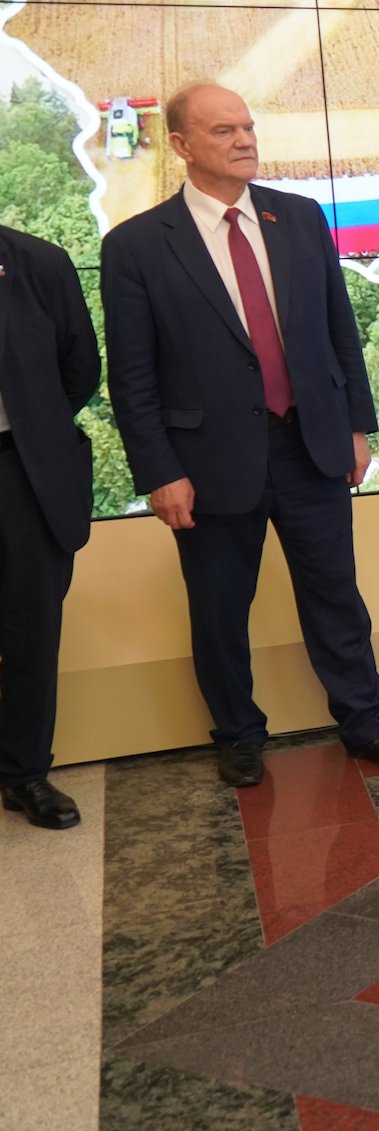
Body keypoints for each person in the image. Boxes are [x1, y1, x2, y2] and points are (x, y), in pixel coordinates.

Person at [102, 83, 379, 786]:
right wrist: (160, 471)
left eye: (247, 127)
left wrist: (357, 426)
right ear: (182, 145)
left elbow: (340, 330)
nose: (244, 139)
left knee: (336, 597)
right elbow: (131, 377)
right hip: (207, 462)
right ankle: (239, 734)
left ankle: (367, 723)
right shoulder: (137, 246)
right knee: (220, 609)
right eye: (223, 131)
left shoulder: (300, 218)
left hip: (312, 446)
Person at [0, 225, 99, 830]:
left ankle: (25, 773)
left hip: (22, 468)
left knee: (30, 628)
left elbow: (79, 368)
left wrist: (36, 427)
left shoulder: (38, 262)